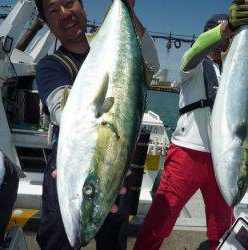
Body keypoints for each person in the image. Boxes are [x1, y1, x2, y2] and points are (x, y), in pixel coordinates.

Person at [34, 0, 160, 249]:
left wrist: (127, 8)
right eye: (52, 10)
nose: (64, 14)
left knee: (113, 242)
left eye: (69, 3)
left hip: (114, 168)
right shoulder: (51, 66)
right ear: (48, 24)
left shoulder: (120, 48)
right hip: (76, 163)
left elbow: (153, 65)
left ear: (83, 7)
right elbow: (62, 109)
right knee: (58, 240)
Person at [134, 1, 248, 250]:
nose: (224, 42)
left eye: (229, 38)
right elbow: (195, 51)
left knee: (221, 226)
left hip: (222, 160)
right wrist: (227, 27)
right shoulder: (193, 66)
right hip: (187, 153)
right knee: (161, 219)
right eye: (221, 35)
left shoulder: (234, 71)